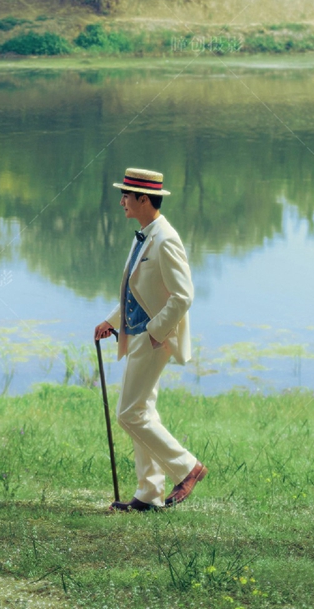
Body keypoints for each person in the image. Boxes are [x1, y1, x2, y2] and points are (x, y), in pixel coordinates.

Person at [94, 168, 207, 512]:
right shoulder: (145, 233)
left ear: (144, 199)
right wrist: (112, 322)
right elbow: (136, 289)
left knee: (129, 414)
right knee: (142, 411)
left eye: (127, 195)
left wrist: (157, 331)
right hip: (138, 333)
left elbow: (183, 295)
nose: (122, 201)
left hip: (153, 338)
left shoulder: (166, 238)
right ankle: (148, 493)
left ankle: (186, 467)